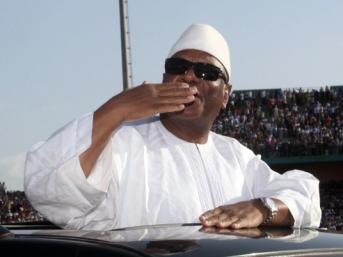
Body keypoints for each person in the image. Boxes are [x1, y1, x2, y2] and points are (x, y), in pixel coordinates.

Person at [24, 24, 321, 230]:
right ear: (164, 77)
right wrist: (118, 108)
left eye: (206, 71)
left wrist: (262, 208)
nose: (189, 77)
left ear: (226, 94)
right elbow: (46, 187)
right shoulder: (123, 144)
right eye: (178, 68)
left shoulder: (236, 158)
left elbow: (306, 194)